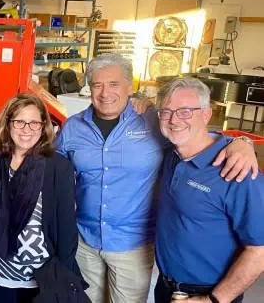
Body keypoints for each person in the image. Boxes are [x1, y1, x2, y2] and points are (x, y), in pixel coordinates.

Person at [54, 53, 259, 303]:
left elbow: (195, 135)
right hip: (85, 240)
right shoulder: (72, 128)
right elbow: (52, 166)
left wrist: (241, 142)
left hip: (134, 246)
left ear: (131, 86)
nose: (105, 93)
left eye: (114, 84)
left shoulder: (152, 121)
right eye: (97, 84)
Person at [154, 78, 264, 303]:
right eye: (166, 112)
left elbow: (259, 251)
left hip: (210, 293)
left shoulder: (239, 172)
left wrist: (213, 300)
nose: (174, 120)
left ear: (206, 114)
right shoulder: (171, 155)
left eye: (185, 111)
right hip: (166, 287)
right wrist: (241, 139)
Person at [0, 93, 90, 303]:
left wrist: (62, 279)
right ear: (8, 123)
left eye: (34, 123)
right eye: (19, 121)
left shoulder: (58, 167)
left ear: (43, 127)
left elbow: (66, 229)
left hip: (39, 282)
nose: (26, 130)